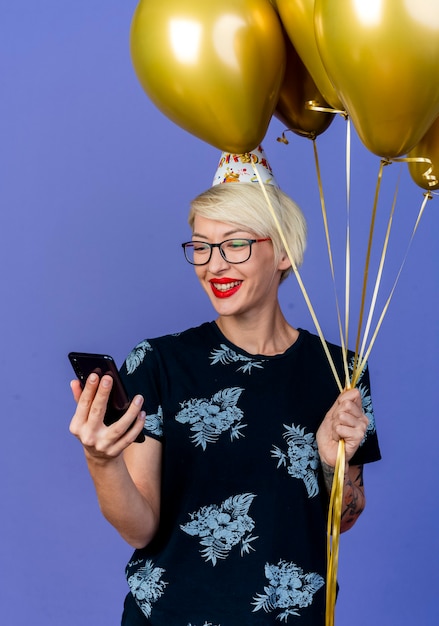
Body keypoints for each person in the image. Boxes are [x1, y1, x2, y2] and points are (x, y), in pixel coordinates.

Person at [70, 146, 381, 625]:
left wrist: (327, 463)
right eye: (200, 246)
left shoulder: (341, 370)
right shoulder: (157, 362)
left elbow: (346, 518)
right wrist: (100, 460)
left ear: (282, 252)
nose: (213, 265)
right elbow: (139, 528)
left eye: (235, 244)